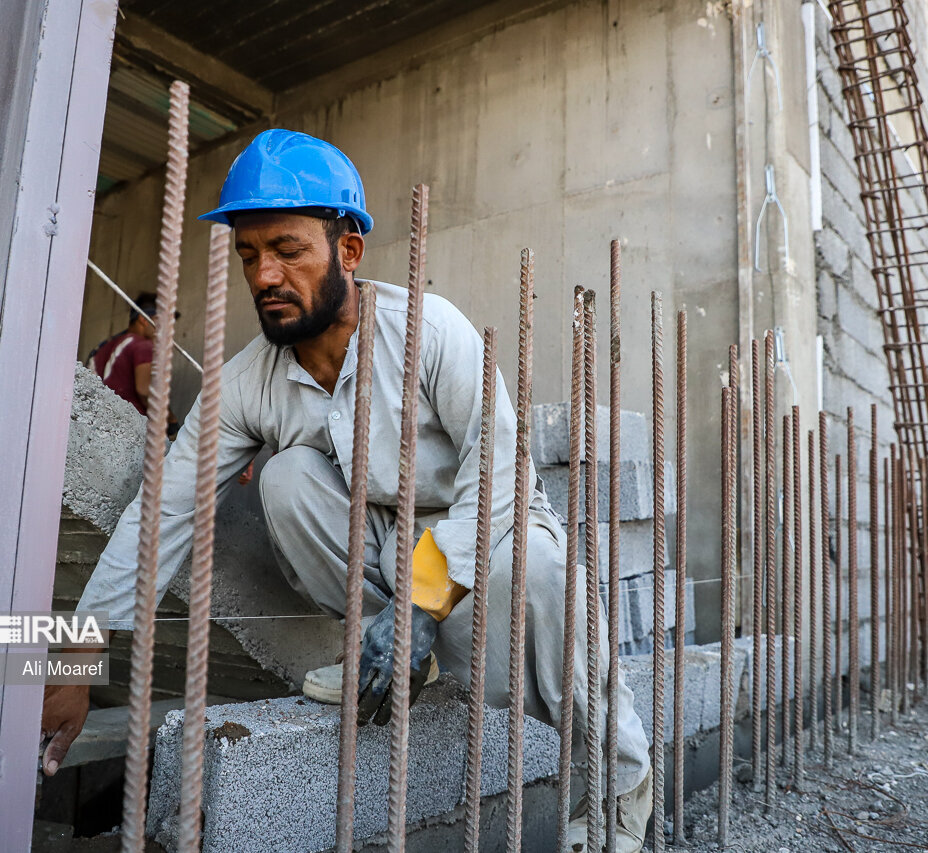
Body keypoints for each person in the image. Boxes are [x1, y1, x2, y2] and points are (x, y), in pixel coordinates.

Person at [41, 129, 653, 850]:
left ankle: (620, 790)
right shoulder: (246, 383)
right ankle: (391, 648)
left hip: (489, 521)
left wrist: (424, 599)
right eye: (248, 254)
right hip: (382, 540)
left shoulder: (430, 331)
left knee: (549, 579)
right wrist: (77, 659)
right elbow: (165, 508)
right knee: (287, 479)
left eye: (288, 250)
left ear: (348, 252)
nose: (265, 275)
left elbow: (501, 471)